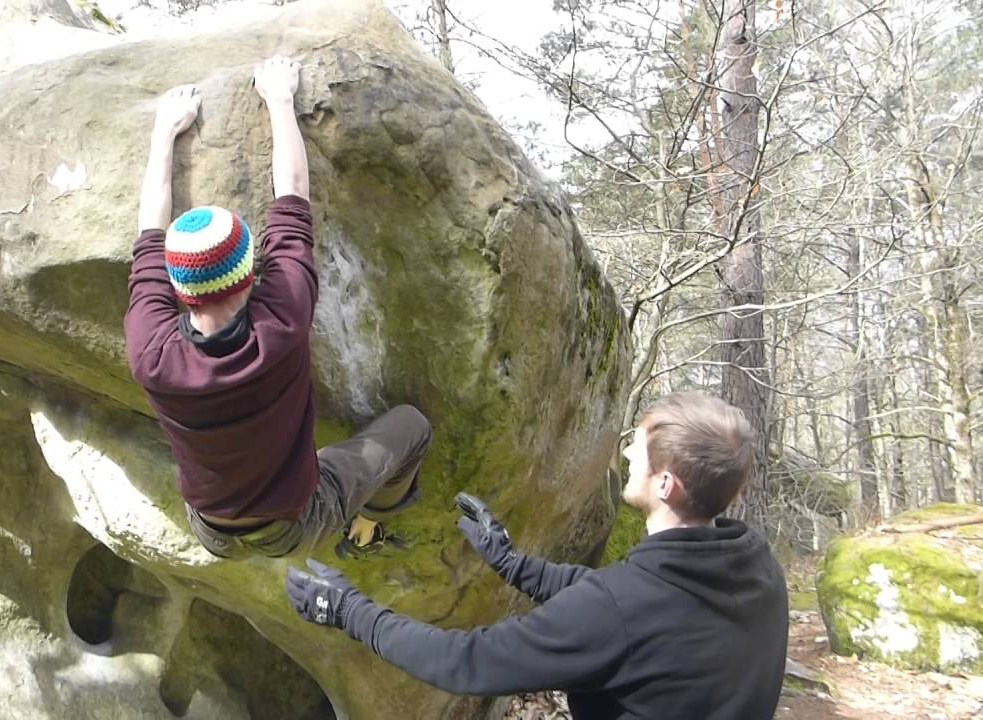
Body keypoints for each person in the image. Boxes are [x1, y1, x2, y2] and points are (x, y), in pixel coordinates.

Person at [285, 392, 788, 719]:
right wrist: (511, 563)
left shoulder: (619, 608)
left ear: (665, 483)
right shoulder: (759, 568)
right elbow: (633, 605)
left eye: (637, 447)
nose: (628, 454)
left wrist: (349, 611)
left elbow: (466, 662)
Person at [124, 56, 430, 560]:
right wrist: (280, 99)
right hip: (294, 522)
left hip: (212, 530)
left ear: (177, 287)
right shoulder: (282, 321)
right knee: (412, 426)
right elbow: (293, 198)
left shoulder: (151, 352)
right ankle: (371, 523)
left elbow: (149, 236)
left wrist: (165, 133)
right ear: (251, 274)